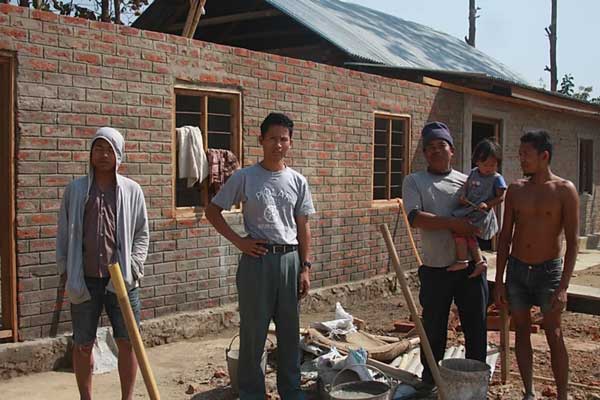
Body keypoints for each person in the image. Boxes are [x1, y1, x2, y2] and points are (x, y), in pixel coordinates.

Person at [206, 112, 315, 400]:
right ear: (261, 140)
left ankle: (291, 391)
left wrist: (305, 267)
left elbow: (303, 227)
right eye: (272, 138)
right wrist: (239, 242)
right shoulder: (245, 177)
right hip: (257, 260)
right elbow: (212, 211)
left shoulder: (297, 181)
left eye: (283, 139)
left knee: (290, 333)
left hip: (290, 260)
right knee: (253, 334)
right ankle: (252, 394)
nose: (277, 145)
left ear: (290, 143)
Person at [56, 127, 150, 400]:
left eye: (110, 149)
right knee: (83, 344)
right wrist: (65, 268)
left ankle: (127, 397)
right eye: (98, 148)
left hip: (122, 282)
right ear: (90, 153)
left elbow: (142, 233)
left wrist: (133, 266)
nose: (104, 155)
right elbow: (64, 232)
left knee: (127, 342)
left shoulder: (132, 190)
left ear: (119, 154)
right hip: (84, 278)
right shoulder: (75, 190)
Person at [402, 121, 488, 394]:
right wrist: (453, 223)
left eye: (442, 146)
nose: (436, 151)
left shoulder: (469, 181)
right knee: (434, 328)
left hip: (470, 269)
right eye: (430, 148)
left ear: (452, 150)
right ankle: (430, 381)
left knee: (475, 326)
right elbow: (415, 218)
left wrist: (480, 219)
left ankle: (475, 383)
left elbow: (486, 223)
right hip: (436, 269)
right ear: (425, 154)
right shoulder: (415, 181)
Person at [495, 131, 579, 400]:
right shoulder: (516, 190)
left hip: (548, 271)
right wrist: (500, 279)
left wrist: (564, 286)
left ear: (544, 156)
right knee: (520, 329)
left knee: (553, 332)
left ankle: (563, 395)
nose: (521, 160)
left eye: (526, 155)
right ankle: (529, 392)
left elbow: (573, 242)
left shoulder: (564, 190)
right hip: (518, 270)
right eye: (520, 154)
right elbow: (505, 236)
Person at [449, 139, 507, 272]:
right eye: (486, 165)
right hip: (469, 209)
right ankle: (478, 261)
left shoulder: (497, 178)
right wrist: (463, 196)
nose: (489, 168)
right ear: (477, 162)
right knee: (463, 232)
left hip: (481, 214)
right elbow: (466, 186)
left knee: (463, 231)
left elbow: (501, 197)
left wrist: (487, 204)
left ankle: (464, 260)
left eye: (493, 165)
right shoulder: (474, 172)